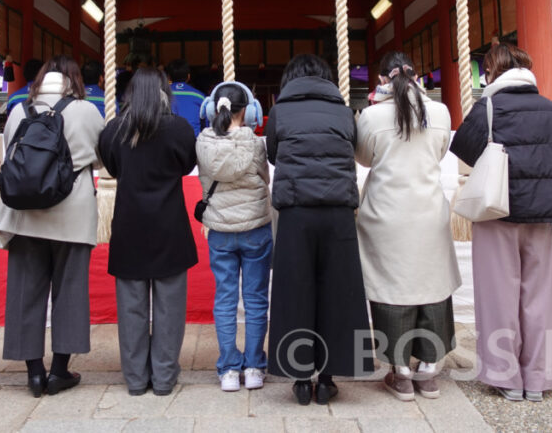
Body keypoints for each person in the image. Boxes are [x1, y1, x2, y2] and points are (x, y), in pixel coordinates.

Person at [449, 43, 552, 402]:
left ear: (492, 71)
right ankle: (539, 377)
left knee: (499, 294)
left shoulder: (489, 105)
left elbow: (464, 148)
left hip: (498, 209)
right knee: (540, 295)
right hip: (542, 211)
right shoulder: (548, 107)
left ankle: (505, 376)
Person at [0, 55, 104, 397]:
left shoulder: (18, 110)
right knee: (70, 291)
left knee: (25, 292)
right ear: (74, 80)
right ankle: (59, 371)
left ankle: (33, 374)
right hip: (72, 212)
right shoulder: (87, 110)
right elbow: (101, 157)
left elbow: (10, 152)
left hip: (24, 214)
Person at [265, 54, 371, 406]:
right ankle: (327, 379)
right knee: (338, 291)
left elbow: (274, 155)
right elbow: (351, 149)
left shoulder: (280, 110)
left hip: (296, 210)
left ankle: (299, 378)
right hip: (338, 210)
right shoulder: (344, 111)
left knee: (295, 290)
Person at [355, 52, 459, 402]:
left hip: (386, 213)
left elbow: (363, 158)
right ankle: (428, 371)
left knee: (391, 288)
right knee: (432, 285)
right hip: (428, 211)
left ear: (382, 79)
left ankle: (400, 373)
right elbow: (440, 151)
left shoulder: (371, 116)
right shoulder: (440, 112)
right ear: (417, 76)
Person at [98, 67, 198, 396]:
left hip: (129, 225)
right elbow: (187, 165)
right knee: (170, 309)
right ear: (164, 92)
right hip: (169, 225)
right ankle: (165, 378)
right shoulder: (179, 129)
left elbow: (112, 166)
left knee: (131, 309)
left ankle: (136, 379)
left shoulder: (114, 130)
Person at [195, 81, 272, 393]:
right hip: (255, 229)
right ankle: (253, 367)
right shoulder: (255, 143)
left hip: (220, 231)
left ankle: (228, 369)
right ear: (249, 112)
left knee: (225, 299)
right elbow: (266, 178)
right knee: (255, 299)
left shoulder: (203, 141)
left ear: (212, 109)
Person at [166, 58, 204, 136]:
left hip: (167, 141)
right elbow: (206, 125)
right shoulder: (200, 96)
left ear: (169, 77)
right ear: (188, 76)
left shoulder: (161, 95)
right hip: (193, 141)